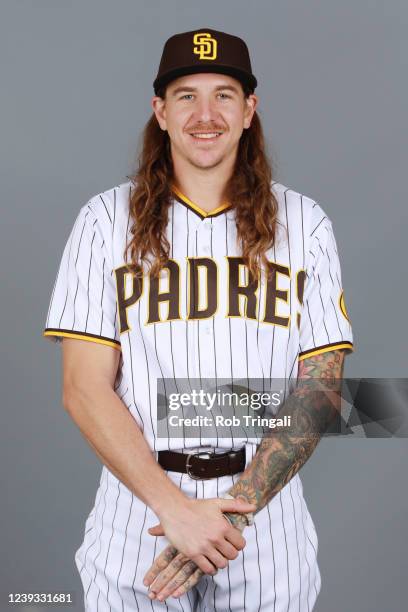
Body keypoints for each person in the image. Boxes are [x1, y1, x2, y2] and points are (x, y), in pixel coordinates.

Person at [43, 27, 354, 611]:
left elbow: (323, 389)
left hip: (265, 520)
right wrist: (176, 511)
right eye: (186, 95)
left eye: (224, 95)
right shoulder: (103, 221)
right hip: (137, 513)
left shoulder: (305, 223)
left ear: (249, 111)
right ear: (159, 111)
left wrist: (224, 518)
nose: (204, 114)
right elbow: (83, 389)